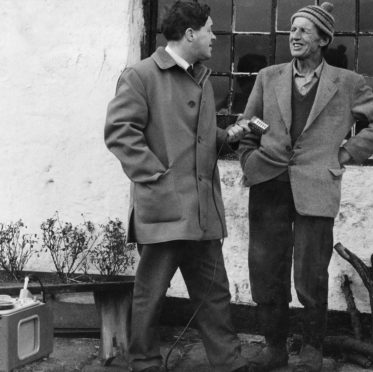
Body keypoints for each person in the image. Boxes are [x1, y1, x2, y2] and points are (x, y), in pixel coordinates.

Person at [237, 3, 373, 372]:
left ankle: (311, 349)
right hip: (268, 184)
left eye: (303, 30)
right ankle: (274, 349)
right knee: (266, 271)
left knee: (311, 274)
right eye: (292, 29)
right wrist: (249, 159)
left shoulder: (345, 83)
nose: (294, 36)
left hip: (317, 188)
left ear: (323, 39)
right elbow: (247, 123)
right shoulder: (268, 76)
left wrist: (346, 153)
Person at [104, 1, 250, 371]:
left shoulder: (199, 76)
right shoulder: (140, 75)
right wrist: (157, 178)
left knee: (215, 295)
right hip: (166, 207)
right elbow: (121, 134)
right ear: (190, 34)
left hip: (202, 210)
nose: (214, 37)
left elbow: (191, 137)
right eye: (209, 30)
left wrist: (227, 137)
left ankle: (229, 363)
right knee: (149, 296)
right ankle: (144, 363)